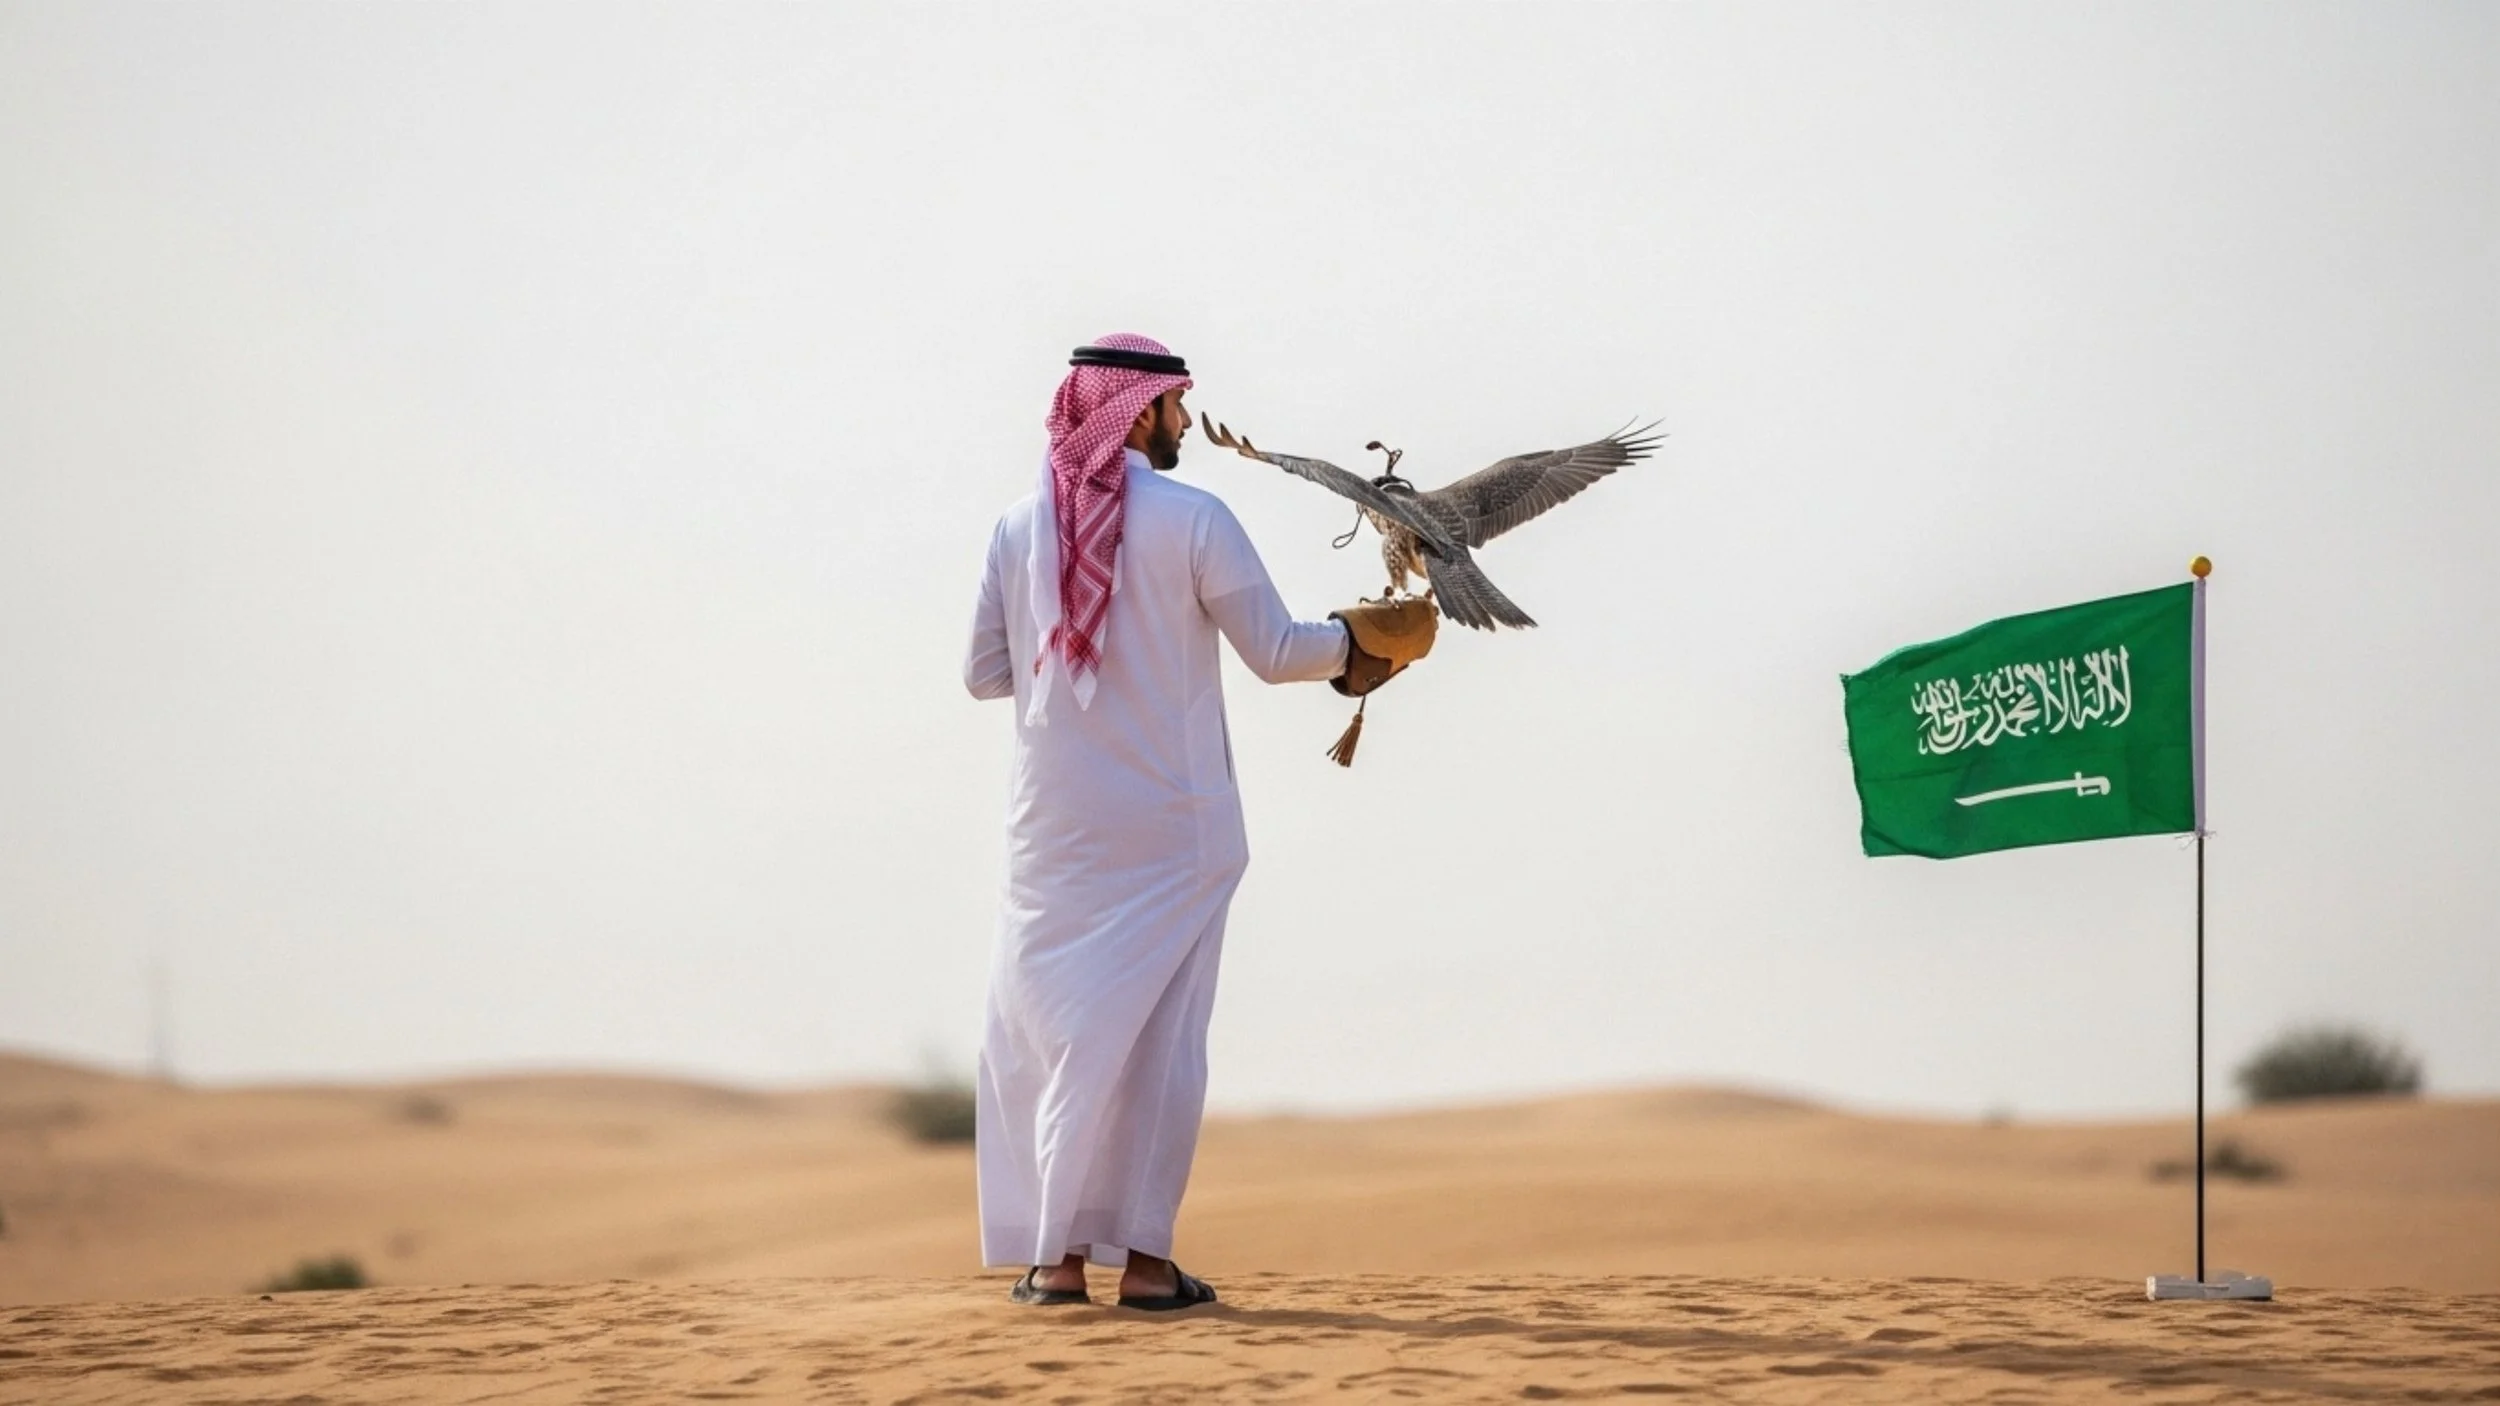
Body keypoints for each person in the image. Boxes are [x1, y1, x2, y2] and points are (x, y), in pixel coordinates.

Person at [961, 334, 1431, 1310]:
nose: (1184, 423)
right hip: (1173, 826)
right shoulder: (1193, 517)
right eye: (1178, 407)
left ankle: (1053, 1261)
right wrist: (1365, 646)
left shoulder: (1017, 528)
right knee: (1156, 1044)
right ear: (1139, 411)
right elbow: (1274, 650)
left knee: (1048, 1033)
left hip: (1051, 830)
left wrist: (1074, 674)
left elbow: (984, 675)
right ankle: (1141, 1262)